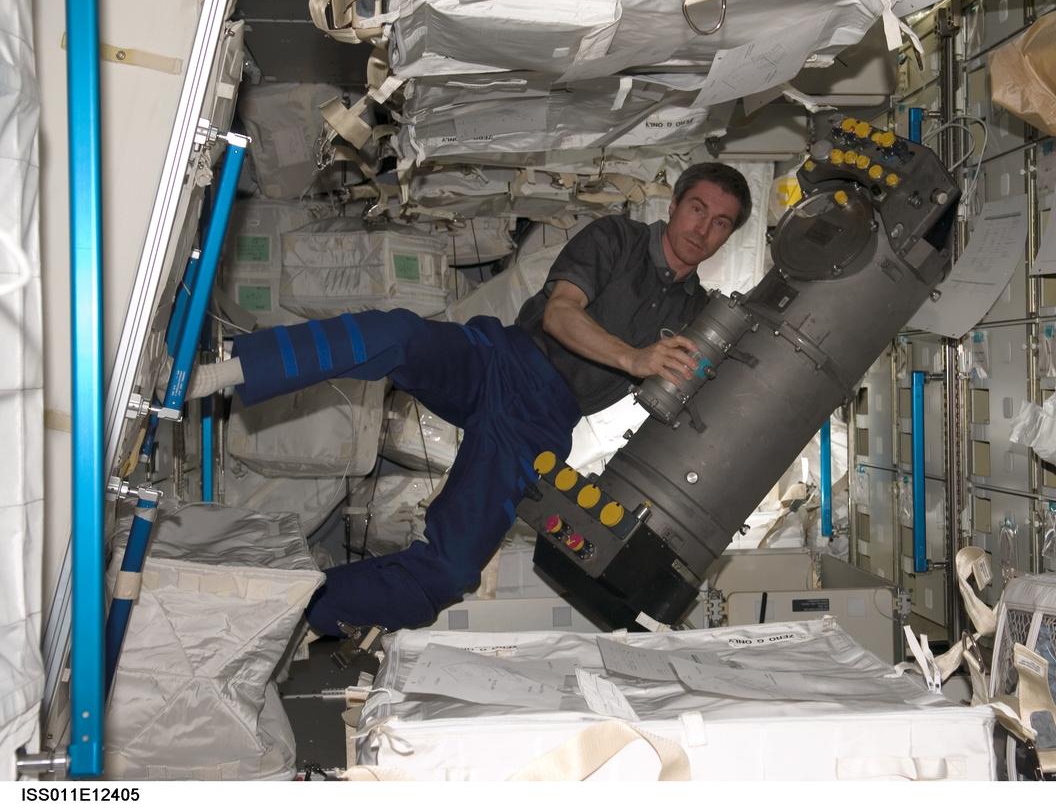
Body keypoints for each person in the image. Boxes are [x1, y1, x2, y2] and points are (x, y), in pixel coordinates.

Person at [190, 162, 752, 635]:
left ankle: (297, 615)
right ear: (676, 204)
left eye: (721, 223)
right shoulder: (616, 238)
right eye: (698, 209)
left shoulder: (693, 318)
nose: (703, 229)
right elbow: (559, 315)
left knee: (450, 572)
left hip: (540, 426)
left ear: (728, 237)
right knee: (397, 336)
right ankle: (230, 370)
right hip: (501, 361)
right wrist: (634, 359)